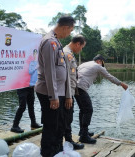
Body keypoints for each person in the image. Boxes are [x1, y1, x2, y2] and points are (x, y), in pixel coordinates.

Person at [34, 16, 75, 157]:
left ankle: (57, 152)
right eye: (70, 30)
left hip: (59, 92)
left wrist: (66, 95)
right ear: (65, 27)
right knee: (51, 126)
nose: (69, 34)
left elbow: (62, 71)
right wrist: (53, 96)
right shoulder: (49, 42)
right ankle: (47, 153)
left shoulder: (57, 42)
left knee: (60, 125)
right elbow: (49, 71)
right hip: (49, 93)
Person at [75, 54, 128, 144]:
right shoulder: (98, 66)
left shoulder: (85, 64)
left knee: (83, 110)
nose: (103, 64)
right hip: (81, 88)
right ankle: (84, 136)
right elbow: (109, 77)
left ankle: (82, 132)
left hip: (74, 87)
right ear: (100, 61)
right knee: (88, 110)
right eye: (103, 62)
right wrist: (121, 84)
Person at [63, 35, 86, 150]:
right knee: (67, 118)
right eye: (82, 47)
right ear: (78, 44)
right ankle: (68, 142)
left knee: (68, 118)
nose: (81, 50)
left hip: (70, 91)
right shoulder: (67, 54)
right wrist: (68, 96)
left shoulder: (69, 53)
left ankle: (68, 141)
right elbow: (65, 77)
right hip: (66, 93)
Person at [10, 49, 41, 133]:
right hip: (22, 86)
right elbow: (30, 71)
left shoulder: (37, 62)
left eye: (36, 54)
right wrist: (36, 67)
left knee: (31, 106)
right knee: (22, 106)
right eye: (34, 54)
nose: (35, 56)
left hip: (31, 87)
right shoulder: (27, 62)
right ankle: (14, 126)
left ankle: (33, 123)